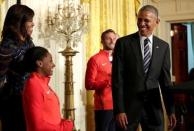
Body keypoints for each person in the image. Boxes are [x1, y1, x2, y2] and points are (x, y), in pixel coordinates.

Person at [112, 5, 177, 131]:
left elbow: (165, 82)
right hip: (128, 109)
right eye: (139, 19)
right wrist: (119, 110)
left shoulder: (163, 47)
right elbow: (117, 80)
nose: (142, 24)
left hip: (153, 109)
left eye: (146, 20)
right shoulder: (123, 43)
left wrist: (171, 110)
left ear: (157, 22)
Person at [0, 4, 35, 131]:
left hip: (30, 97)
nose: (33, 24)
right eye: (30, 21)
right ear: (19, 22)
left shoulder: (28, 41)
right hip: (14, 101)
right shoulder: (8, 45)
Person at [22, 46, 73, 131]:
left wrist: (63, 122)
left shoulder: (42, 83)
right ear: (40, 63)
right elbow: (37, 126)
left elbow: (50, 116)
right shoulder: (33, 84)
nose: (53, 65)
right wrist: (63, 128)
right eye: (50, 61)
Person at [85, 29, 117, 131]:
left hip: (120, 107)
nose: (112, 41)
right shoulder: (95, 59)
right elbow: (88, 84)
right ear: (102, 41)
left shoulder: (119, 58)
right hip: (104, 107)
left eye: (114, 38)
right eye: (108, 39)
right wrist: (107, 82)